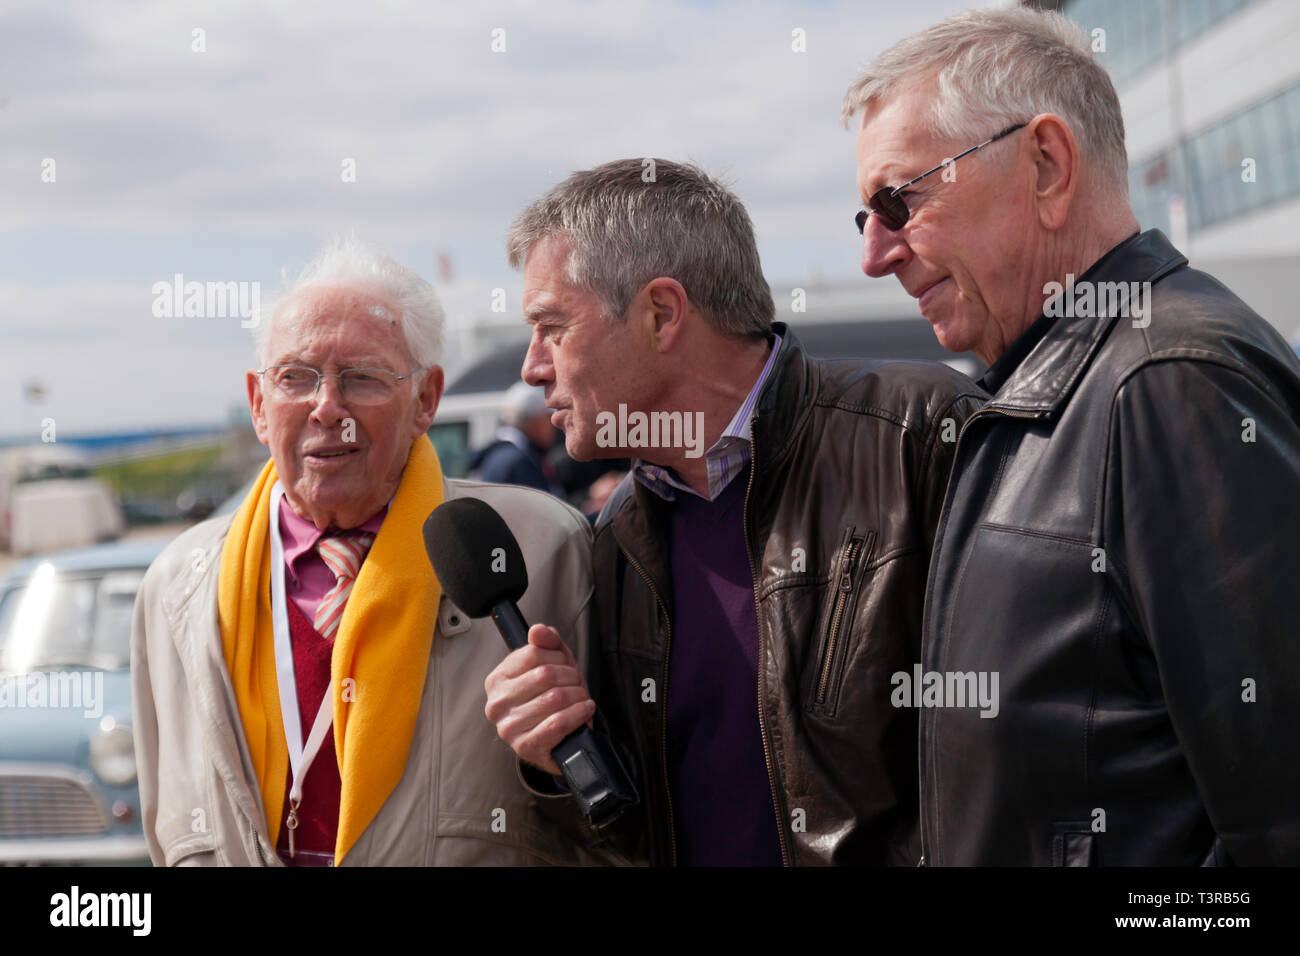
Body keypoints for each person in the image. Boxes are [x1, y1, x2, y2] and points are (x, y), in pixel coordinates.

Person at [843, 7, 1300, 865]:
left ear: (1046, 165)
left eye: (897, 199)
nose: (876, 254)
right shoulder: (1060, 382)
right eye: (862, 218)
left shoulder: (1169, 379)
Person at [484, 158, 984, 865]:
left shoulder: (921, 435)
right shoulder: (620, 535)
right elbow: (644, 840)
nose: (534, 368)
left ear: (662, 313)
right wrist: (560, 764)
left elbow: (1033, 755)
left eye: (552, 326)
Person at [131, 237, 616, 866]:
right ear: (258, 403)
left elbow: (623, 832)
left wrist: (554, 770)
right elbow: (161, 827)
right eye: (295, 378)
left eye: (362, 378)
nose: (327, 408)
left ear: (426, 400)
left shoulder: (540, 549)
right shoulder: (177, 585)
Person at [467, 381, 558, 493]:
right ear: (535, 422)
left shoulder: (500, 453)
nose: (554, 424)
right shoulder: (518, 463)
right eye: (548, 418)